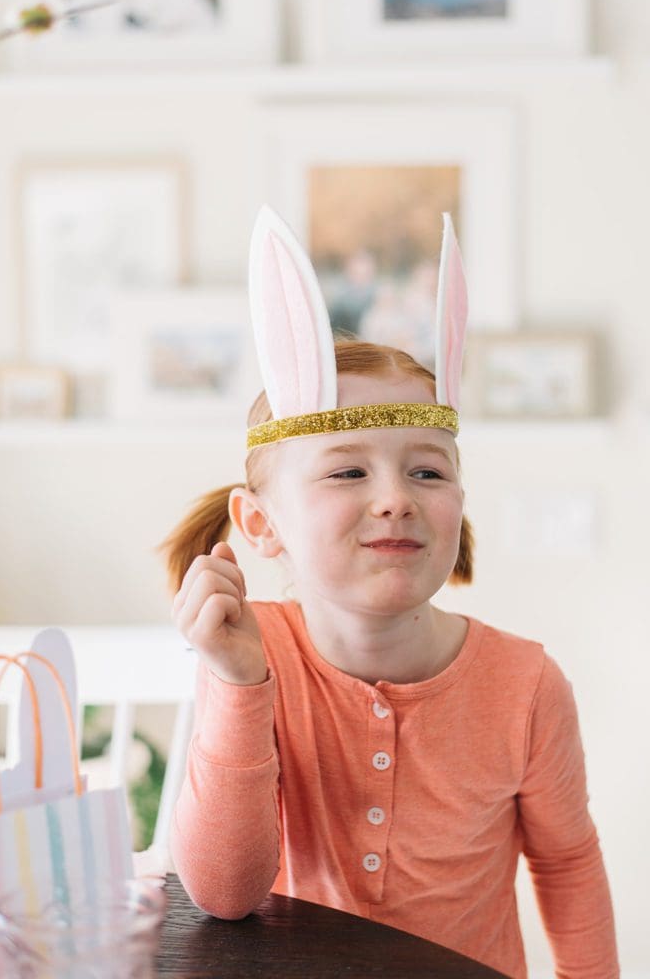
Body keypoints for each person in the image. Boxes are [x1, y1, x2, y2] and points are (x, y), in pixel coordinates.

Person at [163, 207, 619, 979]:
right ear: (260, 523)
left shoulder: (527, 685)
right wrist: (241, 685)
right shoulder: (251, 659)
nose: (394, 499)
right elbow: (222, 894)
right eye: (347, 471)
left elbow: (568, 865)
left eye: (428, 471)